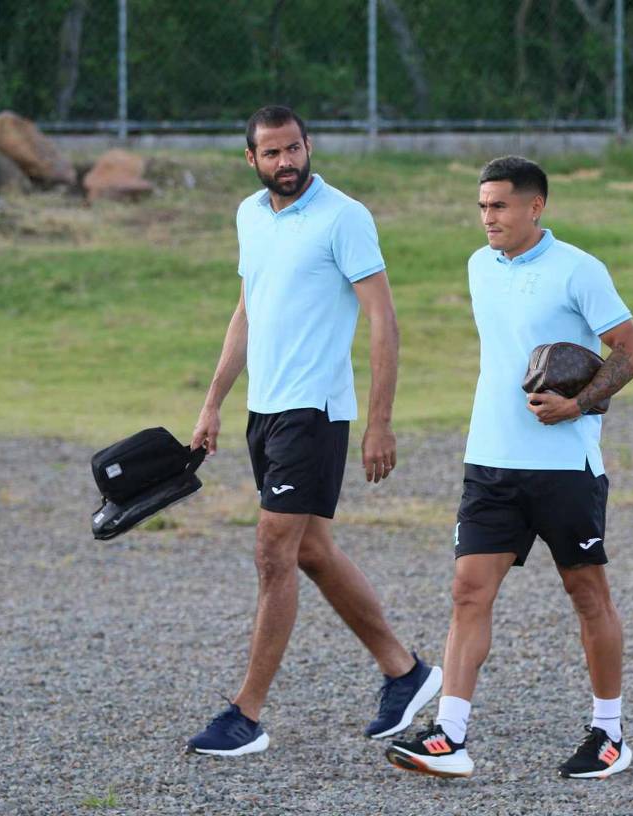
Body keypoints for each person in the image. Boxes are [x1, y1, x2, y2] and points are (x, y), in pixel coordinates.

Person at [183, 105, 441, 756]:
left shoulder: (344, 217)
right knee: (311, 551)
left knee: (273, 551)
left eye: (294, 149)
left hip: (316, 411)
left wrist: (378, 421)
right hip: (264, 411)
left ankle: (246, 714)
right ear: (252, 160)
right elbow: (248, 310)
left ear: (309, 145)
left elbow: (384, 318)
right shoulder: (249, 216)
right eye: (271, 154)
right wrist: (213, 402)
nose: (286, 162)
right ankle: (405, 671)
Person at [385, 156, 633, 779]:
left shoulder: (579, 270)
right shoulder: (479, 266)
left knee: (587, 595)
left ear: (536, 207)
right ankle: (449, 735)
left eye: (499, 205)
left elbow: (632, 353)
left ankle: (609, 736)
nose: (488, 218)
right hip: (490, 461)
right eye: (482, 206)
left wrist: (577, 404)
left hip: (564, 466)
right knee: (467, 591)